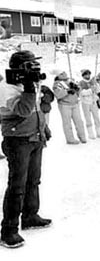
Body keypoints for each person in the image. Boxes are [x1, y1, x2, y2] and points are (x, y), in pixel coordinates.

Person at [0, 51, 51, 248]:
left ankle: (30, 216)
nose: (35, 68)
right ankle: (8, 231)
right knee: (17, 186)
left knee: (33, 181)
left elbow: (36, 108)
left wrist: (43, 127)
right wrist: (29, 88)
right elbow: (23, 110)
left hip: (34, 137)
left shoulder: (27, 83)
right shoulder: (7, 87)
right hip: (17, 140)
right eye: (30, 64)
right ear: (20, 67)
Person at [53, 71, 87, 145]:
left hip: (75, 103)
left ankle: (82, 136)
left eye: (64, 72)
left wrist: (77, 88)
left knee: (79, 121)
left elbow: (79, 91)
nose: (64, 74)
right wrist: (67, 92)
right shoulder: (57, 83)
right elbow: (58, 94)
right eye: (61, 73)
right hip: (64, 105)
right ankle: (70, 139)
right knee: (67, 123)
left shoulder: (71, 80)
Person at [79, 69, 100, 140]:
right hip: (85, 102)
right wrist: (90, 90)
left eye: (88, 74)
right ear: (83, 75)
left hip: (93, 101)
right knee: (88, 118)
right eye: (86, 74)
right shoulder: (81, 83)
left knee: (96, 117)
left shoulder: (93, 81)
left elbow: (98, 90)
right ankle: (90, 134)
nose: (88, 76)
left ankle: (99, 132)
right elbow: (81, 93)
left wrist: (96, 84)